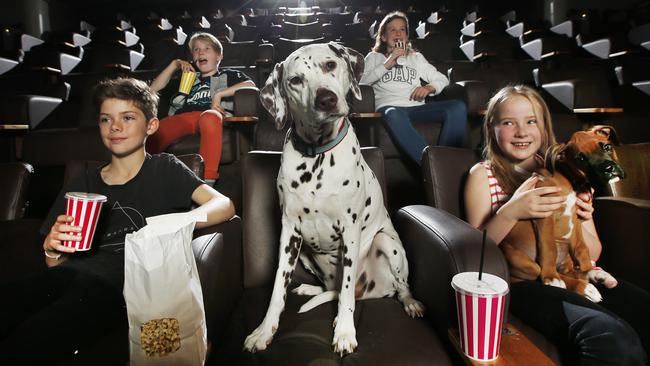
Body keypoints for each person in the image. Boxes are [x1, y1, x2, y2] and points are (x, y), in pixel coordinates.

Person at [0, 78, 236, 363]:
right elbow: (57, 265)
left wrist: (176, 222)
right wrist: (52, 249)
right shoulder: (84, 180)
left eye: (128, 117)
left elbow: (224, 204)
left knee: (30, 340)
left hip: (124, 286)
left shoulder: (165, 169)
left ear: (150, 126)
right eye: (105, 119)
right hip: (71, 274)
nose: (115, 127)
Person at [464, 84, 649, 365]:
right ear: (491, 129)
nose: (522, 131)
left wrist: (583, 218)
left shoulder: (570, 170)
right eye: (508, 122)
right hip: (526, 282)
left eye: (531, 121)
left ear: (545, 126)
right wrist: (511, 211)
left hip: (577, 272)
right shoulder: (483, 174)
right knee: (611, 337)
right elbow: (474, 255)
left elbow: (593, 251)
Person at [360, 11, 467, 165]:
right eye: (393, 29)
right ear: (383, 37)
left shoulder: (416, 57)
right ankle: (432, 165)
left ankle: (446, 161)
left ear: (406, 36)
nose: (398, 33)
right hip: (390, 107)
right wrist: (389, 62)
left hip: (416, 107)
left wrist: (430, 87)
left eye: (402, 29)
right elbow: (362, 82)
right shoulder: (374, 57)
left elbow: (441, 78)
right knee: (393, 113)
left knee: (457, 107)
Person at [148, 32, 256, 185]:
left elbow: (250, 85)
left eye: (207, 49)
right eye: (196, 50)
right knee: (158, 129)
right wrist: (174, 64)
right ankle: (143, 173)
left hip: (211, 116)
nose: (201, 52)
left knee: (210, 117)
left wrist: (219, 94)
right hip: (184, 116)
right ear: (193, 58)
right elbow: (152, 89)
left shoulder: (229, 74)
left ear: (219, 56)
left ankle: (207, 182)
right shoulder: (188, 78)